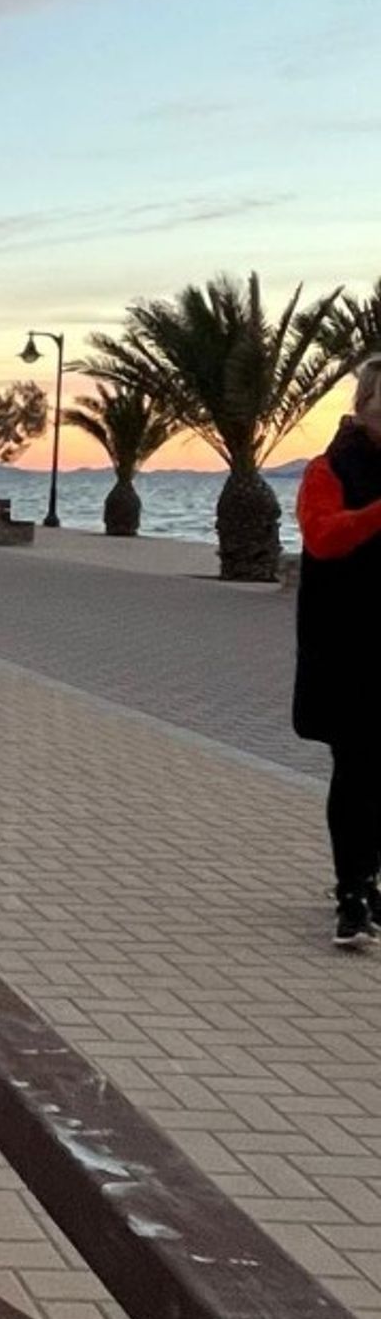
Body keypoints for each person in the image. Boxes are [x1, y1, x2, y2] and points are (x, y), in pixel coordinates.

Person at [295, 356, 381, 949]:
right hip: (348, 646)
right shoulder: (328, 468)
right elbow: (323, 538)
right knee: (356, 767)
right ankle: (352, 892)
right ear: (364, 407)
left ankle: (369, 886)